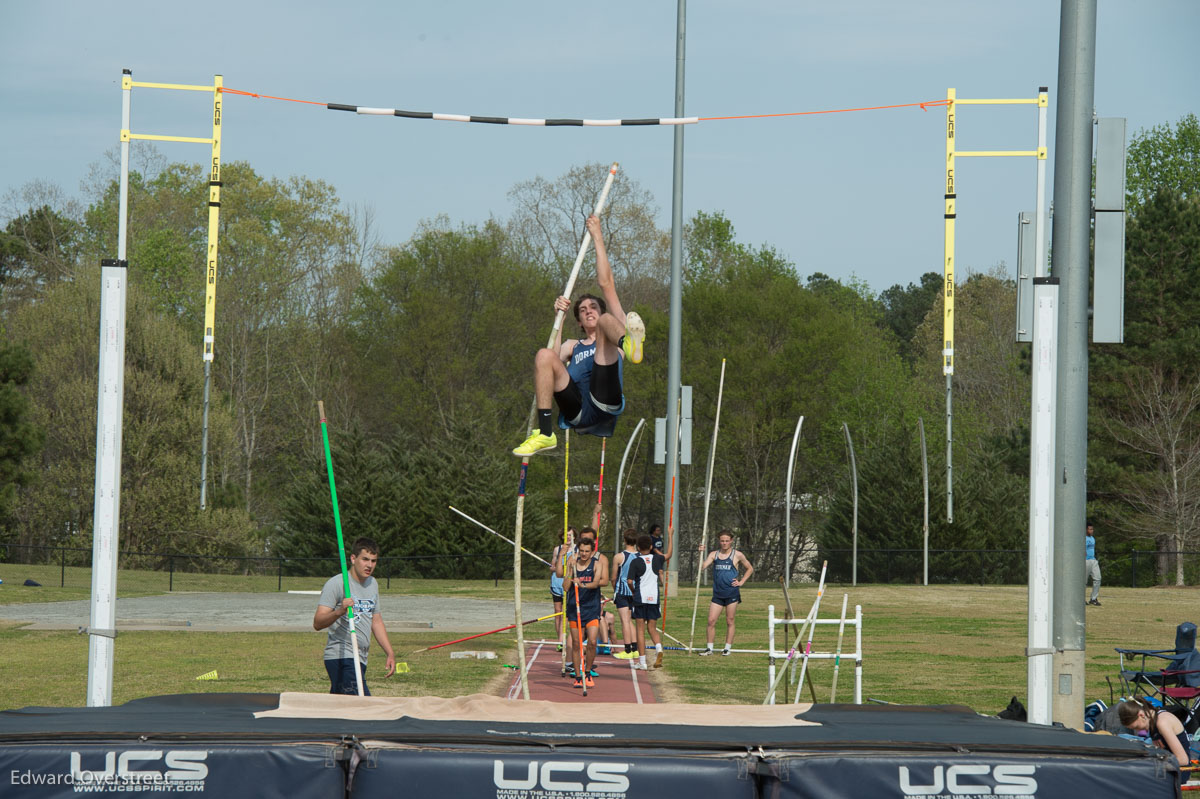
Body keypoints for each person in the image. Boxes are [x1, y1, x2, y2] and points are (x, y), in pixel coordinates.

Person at [513, 215, 646, 457]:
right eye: (583, 310)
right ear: (580, 321)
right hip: (577, 410)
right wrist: (559, 318)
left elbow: (606, 284)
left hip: (604, 399)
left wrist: (597, 236)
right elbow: (548, 370)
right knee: (544, 355)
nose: (588, 311)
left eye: (593, 307)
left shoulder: (608, 322)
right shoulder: (572, 346)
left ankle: (630, 345)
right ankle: (545, 434)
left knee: (609, 323)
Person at [313, 537, 396, 695]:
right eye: (365, 559)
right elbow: (317, 623)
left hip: (361, 657)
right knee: (363, 704)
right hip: (342, 656)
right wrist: (340, 611)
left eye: (373, 561)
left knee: (342, 709)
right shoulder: (337, 583)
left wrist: (389, 652)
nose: (369, 565)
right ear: (353, 558)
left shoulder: (373, 583)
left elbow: (376, 621)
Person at [697, 531, 755, 656]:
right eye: (722, 541)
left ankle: (727, 648)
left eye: (727, 541)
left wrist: (741, 582)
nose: (724, 543)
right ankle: (709, 649)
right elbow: (702, 567)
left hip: (731, 593)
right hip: (717, 594)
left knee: (730, 620)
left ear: (731, 541)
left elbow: (750, 568)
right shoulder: (714, 554)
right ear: (719, 541)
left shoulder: (737, 555)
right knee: (711, 620)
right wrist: (700, 553)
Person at [563, 535, 608, 689]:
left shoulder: (597, 564)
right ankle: (577, 676)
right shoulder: (573, 563)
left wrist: (582, 585)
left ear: (591, 552)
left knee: (593, 641)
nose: (583, 554)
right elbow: (565, 587)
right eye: (581, 551)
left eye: (587, 551)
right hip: (574, 608)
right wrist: (570, 570)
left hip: (591, 608)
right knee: (576, 643)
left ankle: (587, 671)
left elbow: (596, 583)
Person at [1118, 698, 1190, 778]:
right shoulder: (1152, 721)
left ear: (1141, 715)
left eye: (1137, 727)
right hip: (1166, 767)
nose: (1138, 731)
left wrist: (1149, 763)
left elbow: (1183, 760)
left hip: (1179, 771)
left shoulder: (1162, 723)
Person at [626, 533, 666, 670]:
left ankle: (642, 662)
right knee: (652, 628)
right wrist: (671, 536)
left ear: (637, 547)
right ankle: (659, 647)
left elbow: (629, 581)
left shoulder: (635, 561)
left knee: (640, 630)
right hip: (654, 599)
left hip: (640, 598)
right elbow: (669, 554)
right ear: (650, 546)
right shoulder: (657, 559)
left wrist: (633, 590)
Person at [611, 528, 640, 659]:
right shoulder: (640, 556)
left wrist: (615, 589)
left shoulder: (619, 556)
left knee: (624, 621)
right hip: (635, 592)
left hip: (623, 591)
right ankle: (635, 649)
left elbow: (613, 577)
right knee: (629, 621)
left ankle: (628, 650)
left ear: (624, 540)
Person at [549, 527, 576, 647]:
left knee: (566, 613)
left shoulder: (577, 550)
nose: (568, 537)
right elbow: (552, 566)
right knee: (558, 612)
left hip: (568, 582)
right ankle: (559, 640)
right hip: (556, 582)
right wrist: (554, 567)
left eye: (571, 535)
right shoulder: (557, 549)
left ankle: (563, 639)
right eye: (567, 535)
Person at [1085, 522, 1102, 606]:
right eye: (1090, 529)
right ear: (1085, 529)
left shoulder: (1092, 538)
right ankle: (1081, 599)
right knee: (1083, 581)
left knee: (1097, 579)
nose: (1092, 530)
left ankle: (1093, 598)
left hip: (1093, 560)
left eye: (1092, 529)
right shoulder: (1083, 538)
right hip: (1085, 561)